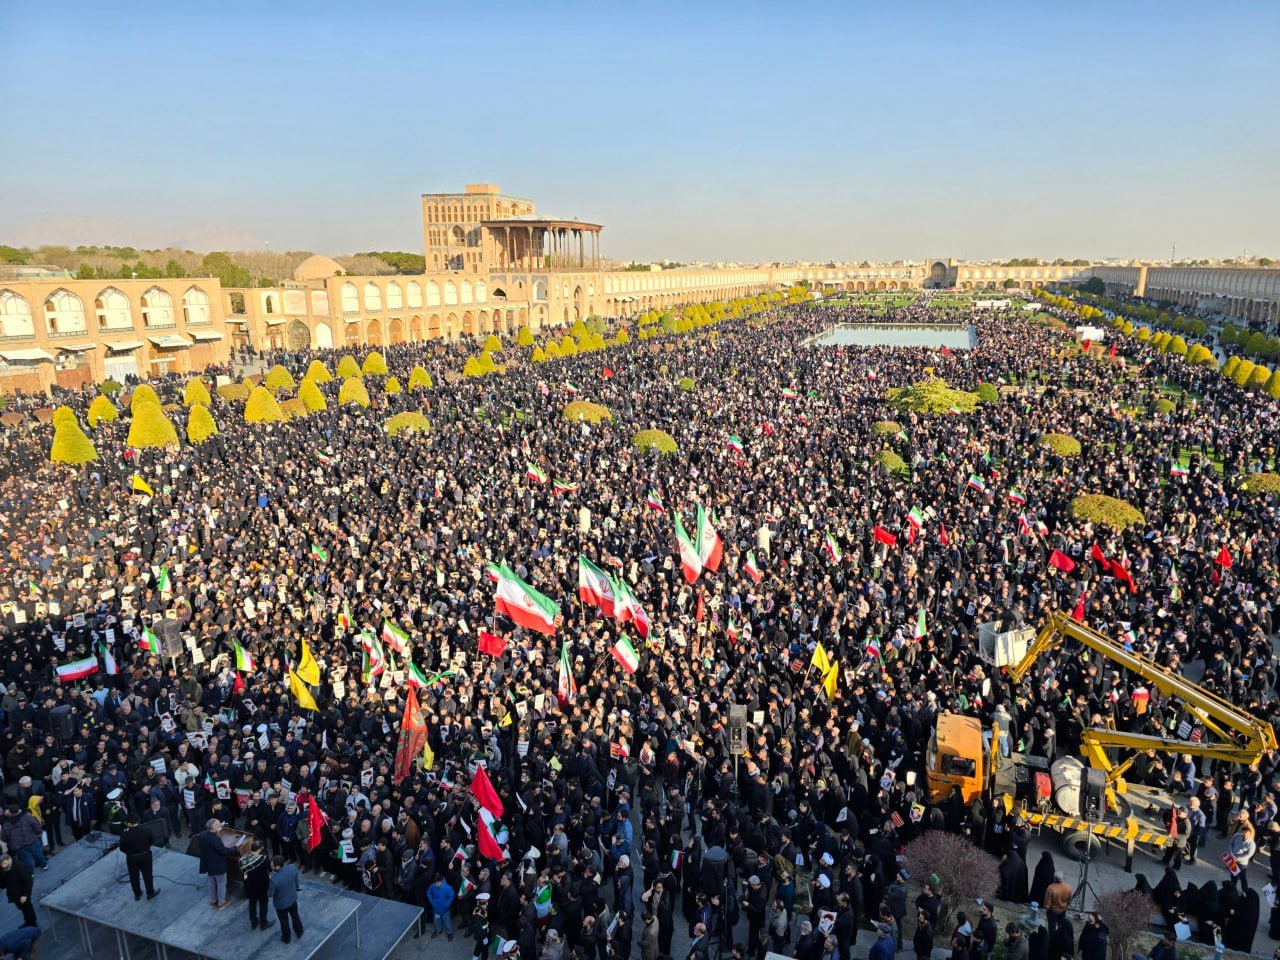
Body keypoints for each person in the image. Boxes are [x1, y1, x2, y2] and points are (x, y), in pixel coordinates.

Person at [196, 818, 244, 909]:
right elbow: (225, 851)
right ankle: (221, 903)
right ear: (214, 827)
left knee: (212, 883)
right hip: (218, 866)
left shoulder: (202, 834)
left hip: (208, 864)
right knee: (221, 884)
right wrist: (236, 846)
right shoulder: (215, 839)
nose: (220, 825)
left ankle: (213, 901)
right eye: (218, 824)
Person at [118, 815, 160, 901]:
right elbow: (151, 841)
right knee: (147, 875)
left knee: (134, 876)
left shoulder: (125, 835)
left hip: (132, 858)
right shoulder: (146, 830)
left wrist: (130, 853)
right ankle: (150, 893)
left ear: (129, 823)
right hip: (145, 856)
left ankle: (137, 894)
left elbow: (122, 848)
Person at [268, 855, 304, 944]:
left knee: (284, 921)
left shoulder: (273, 879)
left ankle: (286, 938)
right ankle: (299, 932)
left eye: (272, 865)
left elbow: (270, 894)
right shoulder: (292, 868)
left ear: (278, 866)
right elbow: (296, 882)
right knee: (295, 916)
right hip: (292, 898)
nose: (271, 867)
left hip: (281, 905)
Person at [241, 839, 273, 931]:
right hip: (261, 886)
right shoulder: (262, 859)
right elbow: (270, 868)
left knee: (252, 904)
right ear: (259, 849)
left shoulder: (243, 859)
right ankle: (264, 923)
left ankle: (254, 922)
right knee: (263, 904)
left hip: (249, 886)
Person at [0, 856, 37, 928]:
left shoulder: (19, 867)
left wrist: (25, 895)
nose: (3, 866)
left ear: (9, 859)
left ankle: (32, 924)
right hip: (13, 893)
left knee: (27, 908)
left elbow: (28, 881)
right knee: (22, 908)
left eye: (5, 863)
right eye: (1, 864)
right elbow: (3, 880)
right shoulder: (3, 868)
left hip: (22, 892)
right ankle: (28, 922)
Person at [427, 873, 455, 940]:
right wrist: (432, 901)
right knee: (436, 921)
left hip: (445, 909)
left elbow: (451, 896)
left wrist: (447, 904)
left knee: (447, 921)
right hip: (436, 908)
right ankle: (438, 931)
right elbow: (428, 892)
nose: (436, 885)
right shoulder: (433, 885)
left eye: (438, 883)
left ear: (442, 881)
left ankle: (449, 933)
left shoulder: (448, 888)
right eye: (435, 883)